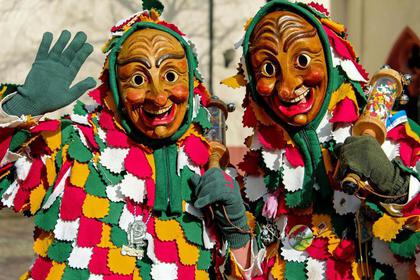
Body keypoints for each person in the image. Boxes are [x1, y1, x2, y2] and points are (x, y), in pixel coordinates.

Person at [0, 2, 259, 279]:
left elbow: (241, 272)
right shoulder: (74, 144)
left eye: (170, 76)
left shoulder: (212, 165)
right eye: (137, 79)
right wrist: (17, 112)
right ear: (115, 87)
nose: (158, 97)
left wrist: (236, 232)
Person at [223, 0, 420, 278]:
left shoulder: (399, 136)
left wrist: (398, 187)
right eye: (268, 69)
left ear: (330, 58)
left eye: (302, 60)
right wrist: (235, 231)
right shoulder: (262, 166)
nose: (288, 87)